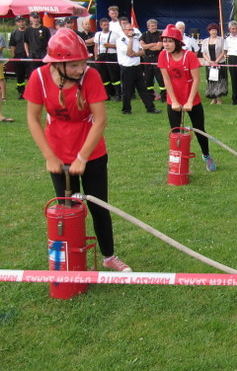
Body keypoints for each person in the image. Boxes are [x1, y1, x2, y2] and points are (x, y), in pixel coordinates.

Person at [24, 28, 131, 272]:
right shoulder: (39, 78)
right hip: (59, 155)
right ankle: (71, 259)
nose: (80, 69)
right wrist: (50, 157)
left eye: (83, 63)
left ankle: (109, 256)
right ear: (58, 64)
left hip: (91, 153)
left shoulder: (90, 77)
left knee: (98, 207)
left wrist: (82, 157)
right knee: (67, 209)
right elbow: (33, 119)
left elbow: (100, 120)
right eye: (74, 65)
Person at [157, 25, 216, 171]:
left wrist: (189, 101)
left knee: (199, 129)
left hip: (192, 99)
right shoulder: (162, 56)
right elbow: (167, 80)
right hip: (174, 100)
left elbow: (196, 79)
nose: (166, 44)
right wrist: (174, 101)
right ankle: (178, 163)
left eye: (170, 41)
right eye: (164, 41)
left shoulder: (189, 56)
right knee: (176, 133)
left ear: (177, 42)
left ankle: (206, 155)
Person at [116, 23, 161, 115]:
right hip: (127, 68)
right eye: (128, 30)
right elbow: (129, 52)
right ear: (124, 31)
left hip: (137, 67)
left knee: (143, 89)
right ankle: (126, 109)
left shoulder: (136, 39)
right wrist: (131, 40)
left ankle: (150, 108)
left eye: (131, 29)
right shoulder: (121, 40)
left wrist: (135, 54)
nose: (131, 31)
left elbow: (143, 51)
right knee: (127, 90)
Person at [93, 18, 121, 101]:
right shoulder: (98, 34)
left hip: (111, 55)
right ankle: (107, 94)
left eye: (107, 25)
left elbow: (119, 45)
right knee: (103, 77)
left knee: (114, 76)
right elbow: (96, 46)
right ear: (100, 26)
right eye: (104, 25)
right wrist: (96, 56)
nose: (106, 26)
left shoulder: (115, 34)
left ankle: (118, 94)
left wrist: (110, 45)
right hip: (101, 56)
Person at [139, 19, 165, 102]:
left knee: (160, 78)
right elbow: (142, 46)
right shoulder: (144, 34)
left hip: (157, 58)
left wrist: (147, 46)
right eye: (152, 26)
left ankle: (164, 96)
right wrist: (153, 44)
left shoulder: (160, 34)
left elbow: (158, 47)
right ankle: (151, 95)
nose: (154, 27)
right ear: (148, 27)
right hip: (147, 58)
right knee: (148, 78)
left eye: (155, 25)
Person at [202, 23, 227, 105]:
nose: (214, 32)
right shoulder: (205, 41)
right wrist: (209, 61)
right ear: (209, 31)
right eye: (212, 30)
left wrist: (216, 61)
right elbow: (204, 53)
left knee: (219, 80)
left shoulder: (221, 40)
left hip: (219, 63)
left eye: (215, 30)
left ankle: (219, 97)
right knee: (211, 80)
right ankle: (213, 97)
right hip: (209, 64)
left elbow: (223, 51)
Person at [9, 16, 29, 99]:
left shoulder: (29, 31)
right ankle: (21, 92)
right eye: (19, 21)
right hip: (18, 56)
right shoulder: (14, 33)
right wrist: (13, 56)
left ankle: (31, 93)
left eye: (22, 21)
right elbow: (12, 45)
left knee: (30, 75)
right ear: (16, 23)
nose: (21, 23)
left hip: (29, 57)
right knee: (20, 76)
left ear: (25, 22)